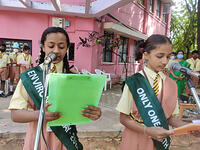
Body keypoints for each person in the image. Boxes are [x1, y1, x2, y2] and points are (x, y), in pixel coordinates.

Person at [8, 27, 101, 150]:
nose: (56, 50)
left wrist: (94, 113)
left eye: (61, 47)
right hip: (39, 138)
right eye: (51, 46)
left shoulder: (75, 77)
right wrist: (40, 114)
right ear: (43, 47)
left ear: (67, 48)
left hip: (66, 140)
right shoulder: (31, 77)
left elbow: (82, 108)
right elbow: (15, 115)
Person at [116, 35, 196, 150]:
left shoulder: (172, 84)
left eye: (168, 57)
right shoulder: (134, 82)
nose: (165, 61)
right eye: (159, 56)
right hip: (136, 137)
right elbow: (123, 118)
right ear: (146, 55)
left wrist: (189, 127)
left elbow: (169, 118)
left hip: (160, 140)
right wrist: (147, 130)